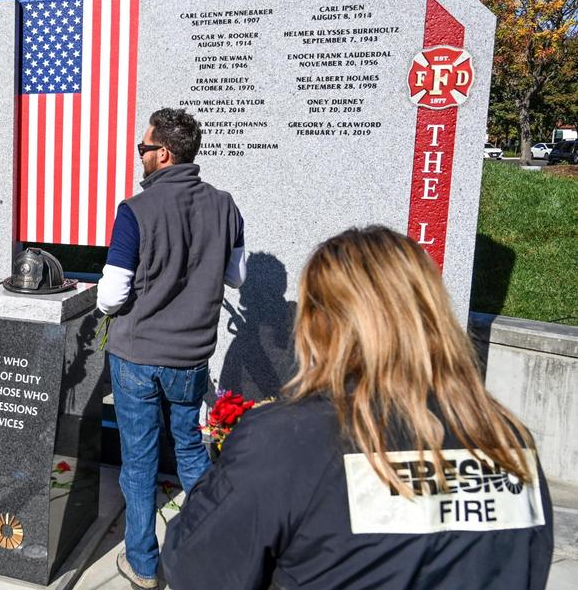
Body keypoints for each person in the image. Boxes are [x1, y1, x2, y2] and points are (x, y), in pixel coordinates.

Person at [162, 226, 554, 590]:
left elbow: (196, 569)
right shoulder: (506, 438)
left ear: (320, 324)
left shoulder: (285, 441)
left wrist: (220, 481)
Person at [97, 108, 246, 590]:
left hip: (137, 355)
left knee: (138, 462)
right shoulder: (226, 205)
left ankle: (143, 565)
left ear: (163, 153)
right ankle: (209, 553)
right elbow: (236, 277)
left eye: (143, 148)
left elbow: (111, 296)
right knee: (190, 451)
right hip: (191, 358)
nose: (139, 156)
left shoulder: (135, 210)